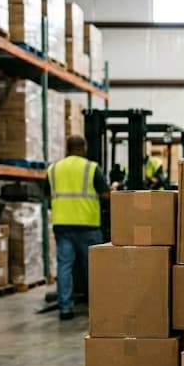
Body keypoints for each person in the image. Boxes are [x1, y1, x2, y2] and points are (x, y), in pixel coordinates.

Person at [48, 135, 109, 320]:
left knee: (64, 265)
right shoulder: (91, 168)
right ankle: (97, 307)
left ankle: (65, 308)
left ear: (66, 148)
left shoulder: (53, 169)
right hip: (87, 224)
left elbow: (48, 196)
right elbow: (106, 195)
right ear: (84, 147)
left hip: (62, 224)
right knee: (92, 267)